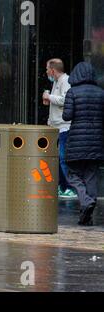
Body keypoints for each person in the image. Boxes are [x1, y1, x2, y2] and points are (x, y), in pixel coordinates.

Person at [62, 62, 104, 226]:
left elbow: (67, 116)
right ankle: (87, 215)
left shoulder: (73, 92)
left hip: (77, 141)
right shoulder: (101, 93)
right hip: (96, 142)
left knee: (73, 175)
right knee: (91, 177)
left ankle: (85, 201)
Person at [42, 58, 76, 199]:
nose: (46, 72)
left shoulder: (65, 81)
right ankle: (62, 186)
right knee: (57, 159)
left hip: (64, 128)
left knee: (63, 159)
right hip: (56, 127)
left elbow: (64, 100)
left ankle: (70, 188)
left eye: (47, 69)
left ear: (53, 70)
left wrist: (49, 97)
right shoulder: (56, 82)